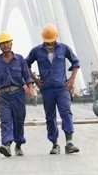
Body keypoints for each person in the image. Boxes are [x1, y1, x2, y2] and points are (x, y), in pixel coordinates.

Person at [25, 23, 80, 154]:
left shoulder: (64, 49)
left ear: (56, 37)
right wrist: (35, 79)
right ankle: (55, 144)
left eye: (51, 41)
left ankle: (69, 143)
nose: (49, 44)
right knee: (50, 116)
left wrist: (72, 79)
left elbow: (76, 62)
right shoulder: (36, 51)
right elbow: (25, 65)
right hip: (47, 89)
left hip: (62, 88)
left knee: (66, 112)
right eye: (47, 41)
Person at [0, 31, 34, 157]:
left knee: (19, 120)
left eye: (7, 42)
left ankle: (18, 145)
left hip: (18, 94)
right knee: (5, 119)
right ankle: (6, 145)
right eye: (2, 43)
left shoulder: (19, 59)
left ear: (11, 44)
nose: (5, 45)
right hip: (3, 96)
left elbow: (27, 77)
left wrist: (31, 90)